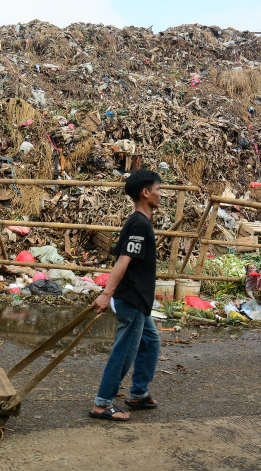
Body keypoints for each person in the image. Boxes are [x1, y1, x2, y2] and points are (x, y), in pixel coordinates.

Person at [89, 170, 162, 421]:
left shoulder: (140, 222)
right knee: (125, 351)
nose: (160, 194)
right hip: (131, 299)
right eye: (157, 189)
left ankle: (138, 394)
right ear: (145, 192)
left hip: (139, 300)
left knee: (151, 341)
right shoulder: (139, 223)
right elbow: (124, 259)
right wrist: (106, 293)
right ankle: (102, 403)